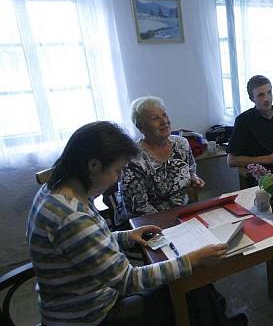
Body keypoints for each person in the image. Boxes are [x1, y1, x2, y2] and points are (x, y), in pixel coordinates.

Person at [26, 121, 236, 326]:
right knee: (190, 286)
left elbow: (86, 243)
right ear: (93, 165)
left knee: (195, 289)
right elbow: (129, 280)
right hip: (93, 315)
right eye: (117, 171)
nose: (117, 179)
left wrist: (126, 236)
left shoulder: (57, 191)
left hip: (81, 299)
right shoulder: (72, 218)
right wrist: (192, 260)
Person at [121, 96, 205, 217]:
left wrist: (194, 178)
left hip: (184, 213)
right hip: (152, 222)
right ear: (141, 126)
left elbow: (191, 170)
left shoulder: (181, 144)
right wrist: (172, 221)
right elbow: (138, 208)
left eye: (165, 115)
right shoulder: (133, 158)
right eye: (155, 118)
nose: (164, 121)